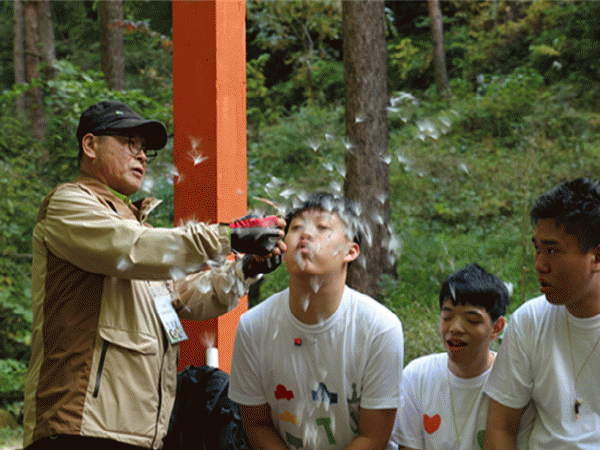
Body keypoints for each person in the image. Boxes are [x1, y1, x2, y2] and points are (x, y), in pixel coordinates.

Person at [23, 100, 287, 450]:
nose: (141, 155)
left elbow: (187, 296)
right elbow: (132, 249)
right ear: (90, 145)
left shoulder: (137, 230)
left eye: (144, 147)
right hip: (80, 427)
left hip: (137, 433)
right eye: (129, 142)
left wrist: (245, 269)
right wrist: (229, 235)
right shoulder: (68, 204)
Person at [228, 192, 404, 450]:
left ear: (351, 251)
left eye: (322, 228)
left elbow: (373, 436)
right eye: (297, 227)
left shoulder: (380, 328)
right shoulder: (253, 326)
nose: (306, 234)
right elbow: (257, 425)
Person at [484, 177, 600, 449]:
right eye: (538, 249)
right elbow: (501, 427)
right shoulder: (530, 321)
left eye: (552, 251)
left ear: (596, 257)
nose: (539, 264)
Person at [389, 263, 534, 450]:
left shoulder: (513, 380)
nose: (455, 328)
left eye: (472, 320)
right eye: (447, 317)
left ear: (496, 328)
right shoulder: (417, 376)